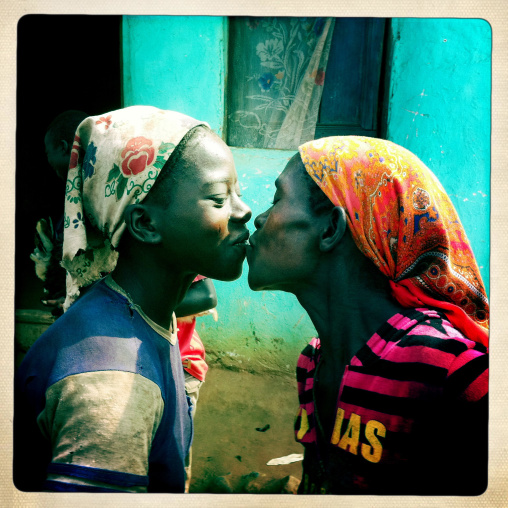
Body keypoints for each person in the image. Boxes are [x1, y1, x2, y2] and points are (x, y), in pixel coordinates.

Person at [14, 105, 252, 493]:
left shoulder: (143, 313)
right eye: (218, 197)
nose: (245, 211)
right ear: (144, 223)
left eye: (237, 192)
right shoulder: (113, 387)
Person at [246, 136, 488, 495]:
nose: (259, 218)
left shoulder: (449, 371)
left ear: (330, 229)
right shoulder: (312, 363)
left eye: (276, 199)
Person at [30, 110, 89, 315]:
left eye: (48, 153)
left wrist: (71, 297)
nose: (48, 161)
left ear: (64, 148)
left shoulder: (87, 196)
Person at [174, 275, 218, 492]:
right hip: (143, 363)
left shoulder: (178, 252)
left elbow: (206, 296)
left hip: (182, 364)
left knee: (176, 447)